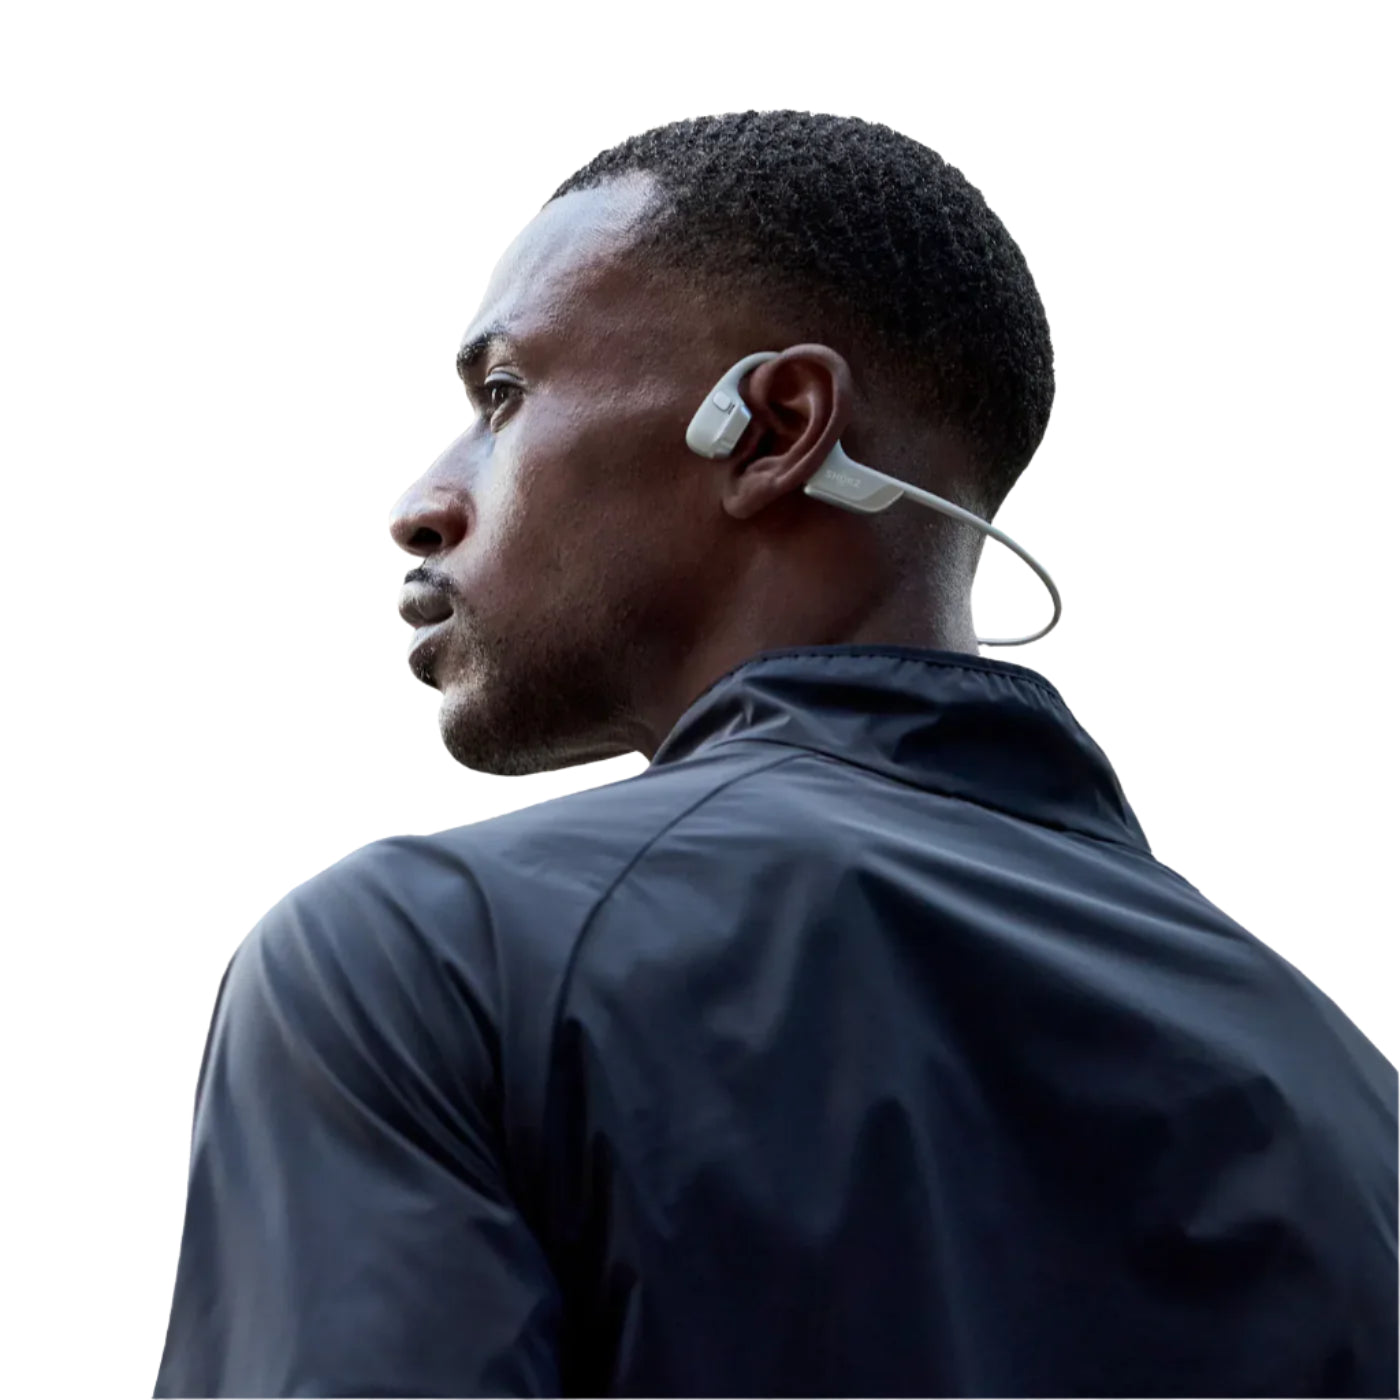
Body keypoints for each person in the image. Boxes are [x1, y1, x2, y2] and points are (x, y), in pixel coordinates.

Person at [154, 111, 1397, 1397]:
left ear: (769, 425)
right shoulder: (1352, 1105)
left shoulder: (433, 960)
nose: (422, 502)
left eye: (502, 396)